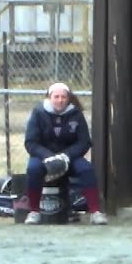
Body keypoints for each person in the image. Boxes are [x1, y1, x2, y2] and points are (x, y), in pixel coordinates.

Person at [21, 82, 107, 225]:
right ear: (49, 97)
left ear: (68, 98)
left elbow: (84, 142)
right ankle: (34, 211)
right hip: (44, 157)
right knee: (33, 169)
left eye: (63, 97)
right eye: (56, 97)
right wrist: (48, 157)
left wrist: (66, 156)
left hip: (69, 157)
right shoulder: (38, 113)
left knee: (86, 169)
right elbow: (30, 142)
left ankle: (95, 212)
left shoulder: (76, 114)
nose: (60, 100)